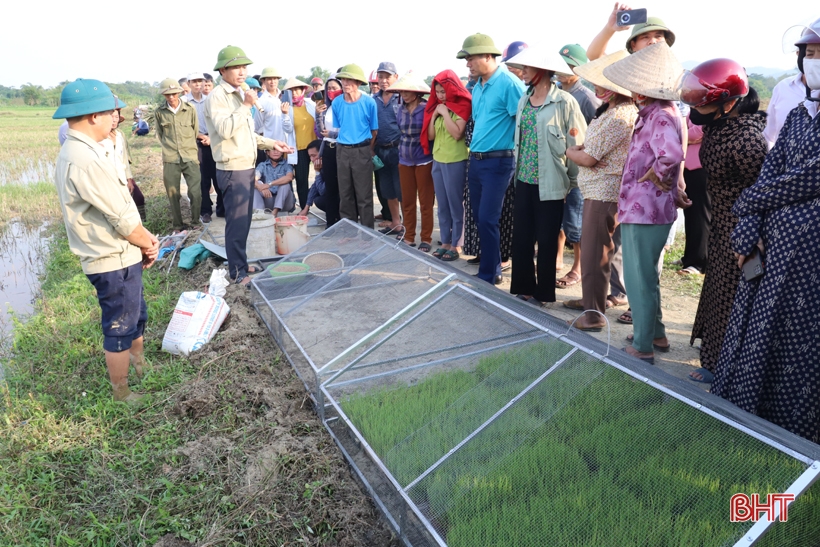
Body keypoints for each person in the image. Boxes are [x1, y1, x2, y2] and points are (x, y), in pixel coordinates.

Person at [712, 20, 820, 443]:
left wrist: (750, 203)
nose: (814, 62)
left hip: (810, 261)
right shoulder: (798, 114)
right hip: (773, 250)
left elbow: (810, 177)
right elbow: (768, 176)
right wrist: (747, 232)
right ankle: (749, 418)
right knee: (760, 332)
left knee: (800, 343)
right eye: (809, 54)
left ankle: (796, 434)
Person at [53, 78, 159, 402]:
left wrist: (139, 242)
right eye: (107, 112)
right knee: (119, 326)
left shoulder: (86, 150)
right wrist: (148, 241)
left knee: (136, 313)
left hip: (122, 253)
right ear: (91, 116)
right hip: (111, 257)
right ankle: (122, 393)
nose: (114, 117)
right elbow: (123, 219)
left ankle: (140, 364)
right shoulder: (84, 159)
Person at [677, 60, 768, 384]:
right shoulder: (720, 126)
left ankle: (725, 365)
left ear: (730, 103)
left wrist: (752, 237)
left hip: (741, 229)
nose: (699, 110)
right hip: (721, 225)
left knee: (732, 296)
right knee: (716, 291)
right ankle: (713, 355)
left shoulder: (747, 142)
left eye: (706, 103)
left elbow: (761, 192)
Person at [603, 42, 685, 364]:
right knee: (646, 275)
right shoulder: (658, 112)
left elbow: (671, 156)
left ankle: (643, 345)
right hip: (647, 208)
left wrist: (652, 177)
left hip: (646, 208)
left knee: (638, 278)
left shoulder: (660, 116)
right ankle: (657, 334)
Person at [203, 45, 293, 285]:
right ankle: (236, 273)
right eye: (236, 67)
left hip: (245, 164)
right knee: (236, 221)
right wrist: (246, 105)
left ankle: (240, 264)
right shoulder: (218, 97)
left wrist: (273, 143)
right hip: (232, 167)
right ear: (223, 70)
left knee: (244, 220)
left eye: (244, 67)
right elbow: (224, 130)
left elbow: (247, 134)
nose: (242, 72)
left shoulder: (238, 95)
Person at [504, 46, 586, 306]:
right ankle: (524, 287)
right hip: (524, 179)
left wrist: (571, 186)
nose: (523, 72)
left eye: (527, 68)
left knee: (548, 240)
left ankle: (543, 293)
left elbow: (577, 144)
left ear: (542, 70)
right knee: (523, 237)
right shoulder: (523, 99)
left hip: (551, 183)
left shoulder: (565, 102)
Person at [564, 50, 637, 329]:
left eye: (603, 83)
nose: (597, 87)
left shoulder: (619, 115)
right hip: (602, 191)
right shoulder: (614, 111)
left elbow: (589, 157)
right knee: (600, 252)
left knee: (596, 255)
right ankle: (591, 305)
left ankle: (593, 315)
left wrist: (571, 151)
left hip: (603, 192)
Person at [457, 33, 525, 285]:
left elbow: (524, 123)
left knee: (487, 217)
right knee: (479, 216)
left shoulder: (509, 84)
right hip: (476, 161)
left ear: (488, 56)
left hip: (499, 161)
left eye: (471, 58)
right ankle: (492, 266)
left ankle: (489, 274)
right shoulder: (478, 87)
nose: (467, 64)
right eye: (466, 59)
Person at [555, 44, 603, 290]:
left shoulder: (586, 97)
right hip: (560, 165)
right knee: (563, 217)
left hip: (580, 169)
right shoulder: (555, 91)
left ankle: (579, 268)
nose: (564, 71)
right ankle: (560, 258)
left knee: (576, 219)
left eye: (570, 66)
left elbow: (596, 136)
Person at [422, 69, 471, 261]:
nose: (441, 95)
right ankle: (445, 241)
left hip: (456, 159)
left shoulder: (463, 104)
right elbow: (431, 136)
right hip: (438, 158)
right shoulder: (437, 106)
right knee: (442, 204)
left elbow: (457, 133)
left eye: (444, 91)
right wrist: (434, 116)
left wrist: (444, 113)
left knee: (456, 204)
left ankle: (457, 244)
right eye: (438, 92)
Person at [388, 73, 434, 251]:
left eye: (407, 91)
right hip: (404, 158)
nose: (404, 94)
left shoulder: (426, 108)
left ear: (416, 92)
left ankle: (426, 238)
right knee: (407, 201)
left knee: (425, 201)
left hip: (424, 159)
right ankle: (409, 236)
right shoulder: (400, 109)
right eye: (402, 91)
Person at [331, 63, 379, 229]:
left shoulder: (369, 102)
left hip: (362, 149)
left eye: (349, 80)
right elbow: (339, 128)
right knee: (345, 194)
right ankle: (349, 232)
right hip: (342, 150)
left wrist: (367, 149)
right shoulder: (337, 103)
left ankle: (367, 232)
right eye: (343, 79)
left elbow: (374, 130)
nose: (345, 83)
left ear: (358, 83)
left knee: (364, 195)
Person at [153, 78, 202, 230]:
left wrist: (187, 147)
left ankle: (195, 222)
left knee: (195, 192)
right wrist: (170, 149)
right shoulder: (159, 112)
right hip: (170, 158)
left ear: (179, 93)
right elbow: (160, 135)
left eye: (174, 94)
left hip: (190, 156)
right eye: (168, 95)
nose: (172, 97)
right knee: (173, 193)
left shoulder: (190, 109)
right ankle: (178, 224)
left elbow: (195, 131)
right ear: (164, 95)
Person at [185, 72, 221, 223]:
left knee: (218, 174)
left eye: (200, 81)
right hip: (195, 143)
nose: (198, 84)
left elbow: (217, 120)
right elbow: (185, 126)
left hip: (213, 140)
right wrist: (201, 137)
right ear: (189, 83)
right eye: (194, 82)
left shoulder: (211, 99)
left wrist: (211, 138)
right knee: (202, 178)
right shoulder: (184, 102)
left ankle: (222, 208)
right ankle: (205, 210)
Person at [676, 113, 709, 276]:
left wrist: (685, 134)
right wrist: (687, 133)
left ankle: (699, 261)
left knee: (700, 216)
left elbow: (695, 132)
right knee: (689, 214)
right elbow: (684, 129)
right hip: (688, 169)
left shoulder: (711, 111)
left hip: (701, 169)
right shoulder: (695, 110)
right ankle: (689, 257)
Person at [103, 104, 147, 222]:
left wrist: (129, 179)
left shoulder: (120, 135)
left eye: (116, 117)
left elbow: (125, 159)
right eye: (111, 117)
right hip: (108, 178)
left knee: (138, 198)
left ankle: (141, 223)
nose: (114, 120)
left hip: (122, 174)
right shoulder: (101, 137)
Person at [372, 62, 402, 230]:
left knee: (401, 189)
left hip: (398, 148)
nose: (383, 81)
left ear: (396, 78)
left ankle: (408, 226)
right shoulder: (373, 100)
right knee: (387, 188)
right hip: (380, 149)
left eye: (387, 77)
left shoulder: (402, 97)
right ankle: (395, 222)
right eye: (380, 77)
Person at [281, 78, 316, 208]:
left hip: (316, 148)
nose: (294, 93)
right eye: (291, 90)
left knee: (322, 178)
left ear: (303, 90)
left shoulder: (310, 104)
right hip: (300, 149)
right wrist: (285, 115)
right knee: (302, 181)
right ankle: (304, 209)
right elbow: (288, 129)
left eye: (297, 89)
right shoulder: (287, 108)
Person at [315, 76, 343, 226]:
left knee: (344, 186)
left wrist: (333, 134)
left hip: (342, 148)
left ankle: (344, 219)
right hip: (328, 149)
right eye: (329, 88)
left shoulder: (345, 105)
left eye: (335, 88)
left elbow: (349, 130)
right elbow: (320, 132)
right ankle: (330, 222)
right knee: (330, 186)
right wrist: (318, 114)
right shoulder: (325, 107)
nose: (331, 91)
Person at [253, 147, 295, 215]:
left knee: (285, 185)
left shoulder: (287, 164)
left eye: (278, 150)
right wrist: (260, 187)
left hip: (285, 202)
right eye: (273, 150)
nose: (276, 152)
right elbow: (253, 179)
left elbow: (289, 177)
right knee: (255, 187)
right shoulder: (262, 165)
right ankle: (259, 214)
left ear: (282, 152)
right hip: (269, 199)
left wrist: (269, 184)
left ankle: (275, 212)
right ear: (267, 152)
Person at [298, 140, 329, 217]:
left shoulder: (330, 166)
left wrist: (317, 173)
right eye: (310, 156)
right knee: (311, 191)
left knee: (319, 200)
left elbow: (322, 191)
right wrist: (306, 208)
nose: (312, 159)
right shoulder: (321, 166)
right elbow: (314, 187)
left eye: (314, 155)